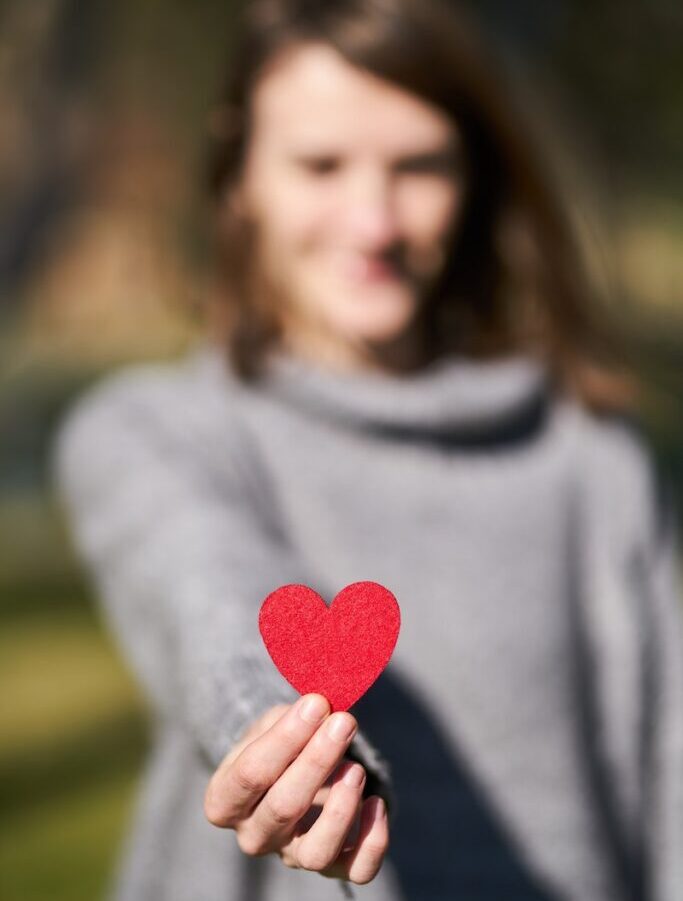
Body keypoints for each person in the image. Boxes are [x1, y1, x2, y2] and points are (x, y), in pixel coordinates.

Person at [50, 0, 683, 899]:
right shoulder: (155, 431)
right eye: (319, 165)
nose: (373, 221)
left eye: (418, 165)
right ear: (241, 175)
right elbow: (202, 585)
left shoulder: (594, 464)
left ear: (474, 177)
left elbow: (667, 775)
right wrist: (267, 726)